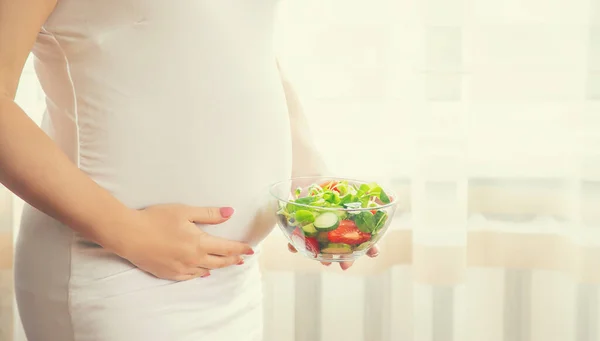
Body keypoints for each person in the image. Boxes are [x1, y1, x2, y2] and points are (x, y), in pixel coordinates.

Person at [0, 0, 380, 340]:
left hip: (232, 276)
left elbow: (244, 47)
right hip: (114, 271)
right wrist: (130, 234)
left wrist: (311, 179)